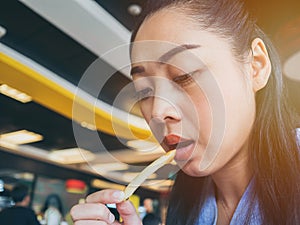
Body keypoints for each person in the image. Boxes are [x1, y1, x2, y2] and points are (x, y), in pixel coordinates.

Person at [70, 0, 300, 224]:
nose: (158, 113)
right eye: (145, 92)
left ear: (256, 65)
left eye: (184, 76)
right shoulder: (189, 204)